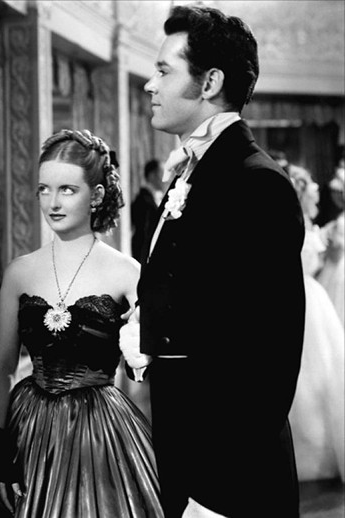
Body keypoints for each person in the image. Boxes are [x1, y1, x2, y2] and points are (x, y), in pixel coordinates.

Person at [0, 129, 163, 518]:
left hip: (100, 434)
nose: (53, 203)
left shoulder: (128, 273)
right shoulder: (20, 272)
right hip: (27, 426)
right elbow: (3, 366)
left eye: (67, 190)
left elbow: (146, 367)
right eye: (44, 189)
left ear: (97, 196)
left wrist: (140, 351)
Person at [130, 5, 306, 517]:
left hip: (230, 476)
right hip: (183, 454)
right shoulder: (192, 172)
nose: (150, 85)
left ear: (209, 82)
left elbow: (270, 360)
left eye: (164, 71)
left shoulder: (256, 183)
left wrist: (212, 497)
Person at [286, 164, 344, 483]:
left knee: (326, 370)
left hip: (315, 299)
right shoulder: (294, 223)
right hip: (302, 298)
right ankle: (305, 449)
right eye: (312, 188)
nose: (318, 192)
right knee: (303, 375)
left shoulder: (309, 223)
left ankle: (324, 448)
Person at [131, 158, 165, 262]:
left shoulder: (157, 198)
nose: (165, 179)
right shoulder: (142, 200)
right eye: (161, 174)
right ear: (152, 175)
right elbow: (142, 233)